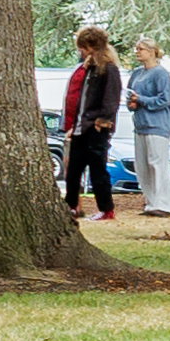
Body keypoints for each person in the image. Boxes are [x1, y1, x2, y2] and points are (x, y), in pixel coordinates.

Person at [57, 22, 126, 219]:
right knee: (73, 170)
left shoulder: (108, 69)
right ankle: (71, 206)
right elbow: (81, 100)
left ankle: (106, 209)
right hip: (81, 127)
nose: (80, 51)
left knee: (98, 170)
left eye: (83, 47)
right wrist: (73, 125)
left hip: (95, 128)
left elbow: (111, 98)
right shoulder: (88, 69)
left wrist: (102, 121)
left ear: (92, 47)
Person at [127, 38, 170, 210]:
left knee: (158, 164)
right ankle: (151, 202)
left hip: (157, 124)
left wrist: (140, 99)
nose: (137, 52)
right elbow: (130, 94)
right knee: (142, 166)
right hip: (140, 124)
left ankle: (164, 204)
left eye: (140, 49)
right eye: (137, 48)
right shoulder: (136, 73)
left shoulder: (160, 73)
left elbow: (164, 99)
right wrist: (132, 103)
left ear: (152, 51)